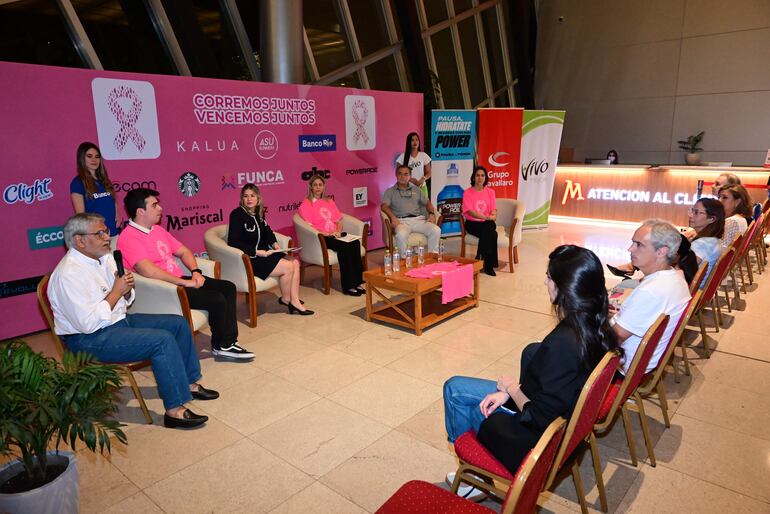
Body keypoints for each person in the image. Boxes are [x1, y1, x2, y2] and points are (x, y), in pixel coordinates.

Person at [443, 245, 620, 490]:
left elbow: (537, 417)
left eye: (549, 277)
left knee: (456, 391)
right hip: (566, 429)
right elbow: (553, 384)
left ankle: (473, 473)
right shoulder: (596, 326)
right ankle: (474, 474)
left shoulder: (564, 344)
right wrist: (509, 392)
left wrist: (511, 388)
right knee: (471, 382)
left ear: (564, 288)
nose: (545, 282)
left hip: (538, 444)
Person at [48, 213, 218, 429]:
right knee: (162, 341)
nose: (106, 237)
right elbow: (87, 324)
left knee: (178, 324)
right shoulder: (68, 274)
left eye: (106, 231)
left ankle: (189, 382)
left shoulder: (105, 257)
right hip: (86, 339)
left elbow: (124, 302)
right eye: (99, 233)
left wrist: (126, 291)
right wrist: (116, 292)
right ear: (79, 240)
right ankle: (174, 410)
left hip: (117, 321)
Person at [117, 188, 255, 360]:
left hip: (178, 281)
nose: (160, 208)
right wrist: (183, 282)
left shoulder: (157, 230)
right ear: (140, 211)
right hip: (164, 290)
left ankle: (228, 342)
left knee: (227, 287)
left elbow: (184, 251)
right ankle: (221, 346)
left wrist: (195, 272)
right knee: (216, 298)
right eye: (154, 205)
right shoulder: (129, 237)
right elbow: (148, 271)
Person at [611, 220, 691, 374]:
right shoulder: (676, 278)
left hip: (621, 366)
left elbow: (615, 338)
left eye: (639, 244)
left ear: (661, 252)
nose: (630, 249)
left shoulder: (650, 291)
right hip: (644, 361)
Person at [228, 183, 314, 315]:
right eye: (246, 196)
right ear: (242, 199)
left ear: (258, 198)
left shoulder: (258, 212)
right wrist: (256, 252)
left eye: (252, 196)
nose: (249, 199)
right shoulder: (236, 215)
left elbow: (268, 231)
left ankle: (293, 300)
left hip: (266, 254)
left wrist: (275, 244)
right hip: (251, 259)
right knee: (288, 267)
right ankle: (288, 300)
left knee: (295, 262)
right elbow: (233, 242)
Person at [298, 175, 364, 296]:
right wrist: (327, 234)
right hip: (322, 237)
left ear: (324, 187)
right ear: (311, 188)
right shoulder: (306, 205)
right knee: (345, 247)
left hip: (335, 234)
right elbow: (310, 227)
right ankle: (348, 286)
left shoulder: (329, 201)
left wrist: (338, 232)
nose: (318, 187)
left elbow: (338, 221)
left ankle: (357, 282)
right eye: (315, 185)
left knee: (355, 243)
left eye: (320, 185)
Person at [381, 164, 441, 255]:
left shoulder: (416, 190)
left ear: (410, 176)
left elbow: (427, 202)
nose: (402, 176)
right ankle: (405, 259)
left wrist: (432, 214)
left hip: (418, 220)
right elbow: (384, 206)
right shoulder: (390, 191)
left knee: (436, 230)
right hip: (402, 221)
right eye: (400, 174)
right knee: (401, 235)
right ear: (396, 175)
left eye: (406, 174)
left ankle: (432, 257)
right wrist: (393, 218)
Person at [70, 142, 120, 236]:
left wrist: (118, 215)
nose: (94, 160)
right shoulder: (77, 183)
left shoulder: (105, 180)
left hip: (113, 233)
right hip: (96, 237)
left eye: (97, 157)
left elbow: (113, 201)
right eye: (89, 156)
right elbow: (81, 215)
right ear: (82, 158)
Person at [462, 166, 498, 276]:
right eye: (477, 175)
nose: (480, 178)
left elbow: (493, 210)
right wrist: (486, 217)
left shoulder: (490, 192)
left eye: (482, 175)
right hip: (473, 223)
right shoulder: (467, 192)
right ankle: (489, 265)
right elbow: (470, 212)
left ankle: (481, 258)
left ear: (485, 178)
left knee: (490, 227)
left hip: (486, 223)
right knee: (493, 233)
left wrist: (493, 215)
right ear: (473, 177)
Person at [686, 198, 725, 284]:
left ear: (711, 219)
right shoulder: (713, 240)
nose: (691, 215)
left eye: (696, 212)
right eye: (692, 211)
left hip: (690, 291)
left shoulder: (702, 244)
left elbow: (683, 271)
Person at [396, 132, 432, 198]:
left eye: (417, 140)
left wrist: (423, 178)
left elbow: (429, 172)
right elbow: (398, 173)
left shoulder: (423, 155)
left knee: (423, 208)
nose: (415, 142)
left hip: (422, 187)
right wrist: (409, 179)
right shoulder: (402, 157)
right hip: (407, 188)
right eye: (412, 140)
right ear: (408, 142)